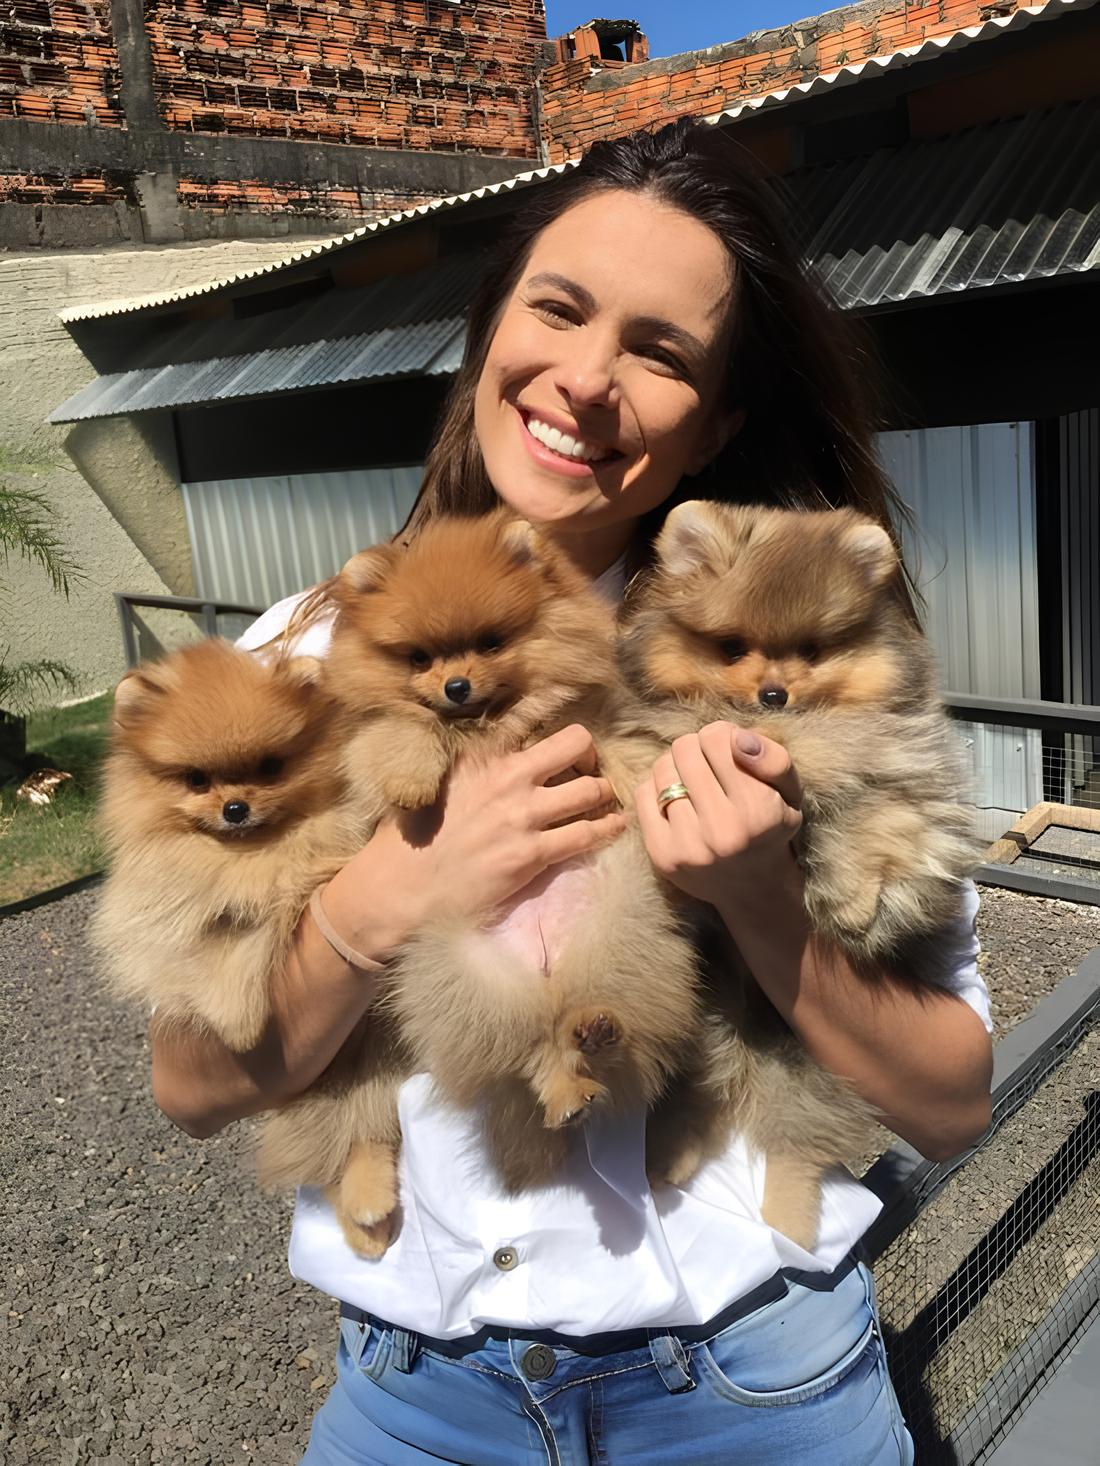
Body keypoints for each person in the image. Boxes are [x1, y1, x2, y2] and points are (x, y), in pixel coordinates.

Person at [151, 120, 994, 1464]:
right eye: (558, 307)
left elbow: (953, 1099)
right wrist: (378, 900)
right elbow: (192, 1080)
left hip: (753, 1383)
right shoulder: (299, 664)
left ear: (715, 419)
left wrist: (763, 903)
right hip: (417, 1399)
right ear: (488, 332)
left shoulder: (799, 665)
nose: (589, 378)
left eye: (660, 351)